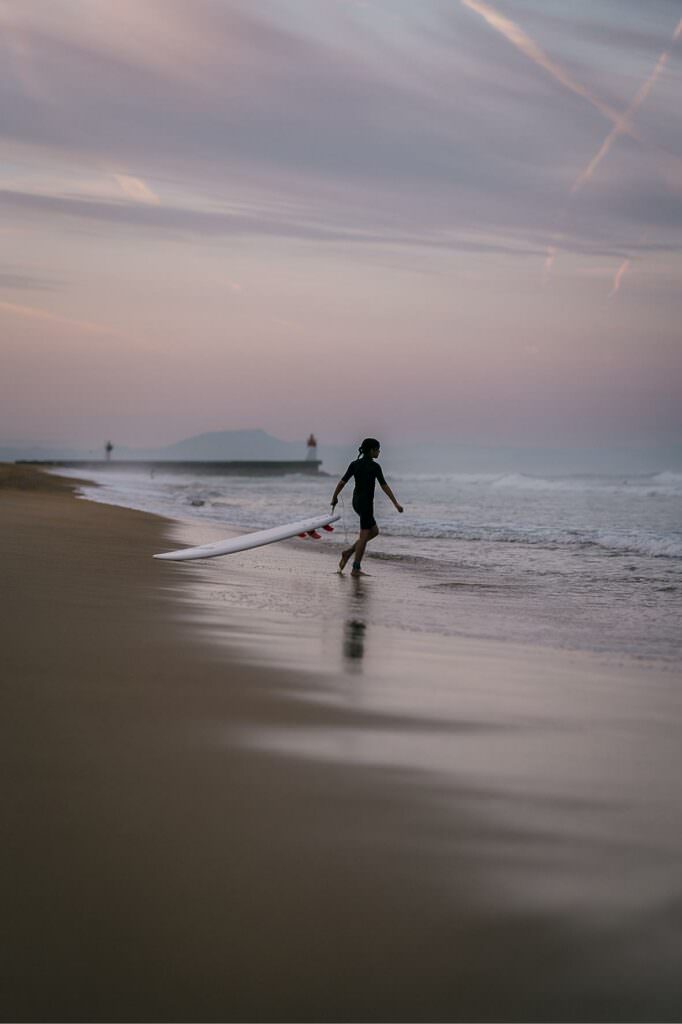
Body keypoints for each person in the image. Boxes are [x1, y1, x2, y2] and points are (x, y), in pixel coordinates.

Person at [331, 438, 403, 576]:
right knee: (364, 535)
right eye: (377, 449)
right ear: (371, 450)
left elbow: (342, 482)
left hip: (356, 502)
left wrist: (334, 497)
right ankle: (355, 568)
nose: (379, 451)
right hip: (366, 504)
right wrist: (396, 503)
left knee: (374, 531)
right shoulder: (375, 467)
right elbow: (384, 486)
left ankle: (348, 552)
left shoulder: (354, 464)